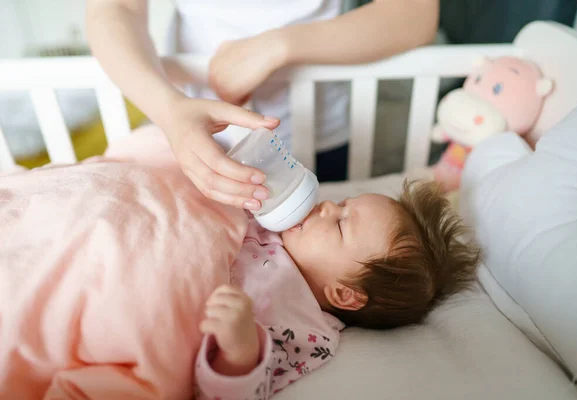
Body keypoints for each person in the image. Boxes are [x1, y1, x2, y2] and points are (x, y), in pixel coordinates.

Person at [0, 126, 478, 399]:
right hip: (133, 222)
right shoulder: (269, 219)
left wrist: (238, 349)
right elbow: (197, 190)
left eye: (340, 223)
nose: (328, 206)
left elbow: (247, 389)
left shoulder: (310, 331)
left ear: (345, 294)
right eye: (343, 202)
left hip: (148, 293)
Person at [86, 0, 439, 209]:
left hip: (322, 135)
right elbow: (115, 8)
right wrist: (170, 111)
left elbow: (414, 14)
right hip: (196, 139)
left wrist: (277, 46)